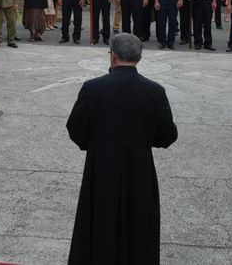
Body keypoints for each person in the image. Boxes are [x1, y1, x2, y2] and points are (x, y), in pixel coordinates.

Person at [66, 33, 178, 264]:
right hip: (139, 168)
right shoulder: (154, 91)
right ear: (138, 58)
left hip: (102, 167)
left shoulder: (93, 88)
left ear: (113, 56)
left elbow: (75, 129)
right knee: (138, 223)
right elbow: (168, 135)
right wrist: (144, 141)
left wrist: (95, 144)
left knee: (100, 221)